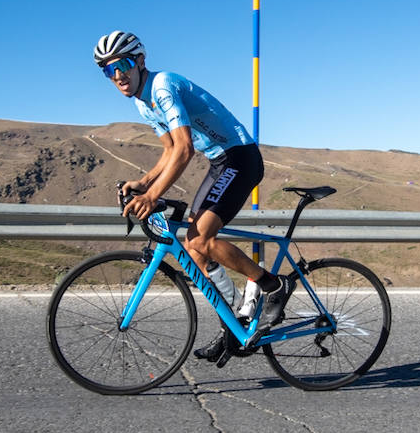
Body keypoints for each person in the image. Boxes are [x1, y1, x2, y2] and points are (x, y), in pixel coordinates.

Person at [93, 30, 292, 365]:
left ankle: (272, 285)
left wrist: (154, 194)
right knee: (193, 250)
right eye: (108, 71)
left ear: (140, 61)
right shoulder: (143, 102)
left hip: (240, 157)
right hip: (219, 161)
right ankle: (235, 325)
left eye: (123, 65)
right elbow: (169, 150)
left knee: (201, 239)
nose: (118, 76)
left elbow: (184, 150)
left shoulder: (162, 86)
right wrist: (144, 182)